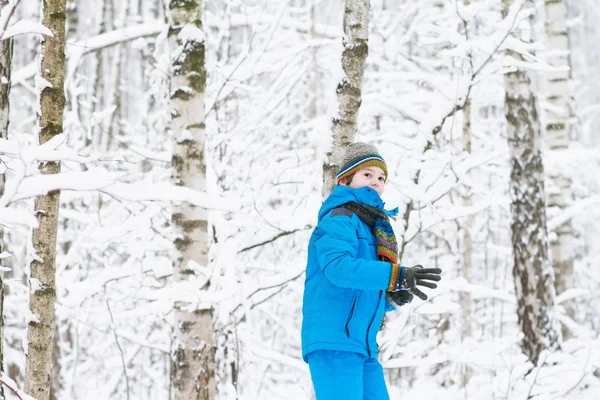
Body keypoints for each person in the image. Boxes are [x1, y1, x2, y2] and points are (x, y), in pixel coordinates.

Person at [301, 142, 442, 400]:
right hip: (335, 342)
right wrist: (395, 276)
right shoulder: (339, 218)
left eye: (381, 177)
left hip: (363, 345)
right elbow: (338, 269)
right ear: (345, 180)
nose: (376, 181)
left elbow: (359, 287)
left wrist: (389, 298)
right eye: (367, 174)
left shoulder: (372, 226)